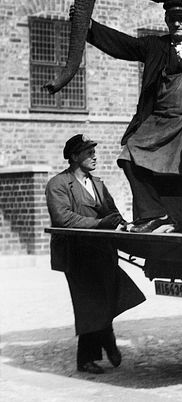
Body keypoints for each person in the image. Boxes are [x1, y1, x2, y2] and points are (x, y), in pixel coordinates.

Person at [80, 0, 182, 234]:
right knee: (129, 153)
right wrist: (90, 27)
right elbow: (124, 45)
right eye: (172, 18)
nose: (177, 23)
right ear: (166, 21)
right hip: (161, 118)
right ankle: (154, 213)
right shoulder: (156, 46)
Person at [46, 134, 146, 374]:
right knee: (88, 303)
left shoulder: (98, 183)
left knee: (113, 294)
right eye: (88, 153)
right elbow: (63, 218)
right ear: (74, 156)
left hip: (102, 250)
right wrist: (100, 223)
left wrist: (125, 224)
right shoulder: (58, 184)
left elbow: (112, 211)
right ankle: (88, 357)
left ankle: (106, 334)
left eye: (94, 152)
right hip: (76, 253)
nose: (94, 157)